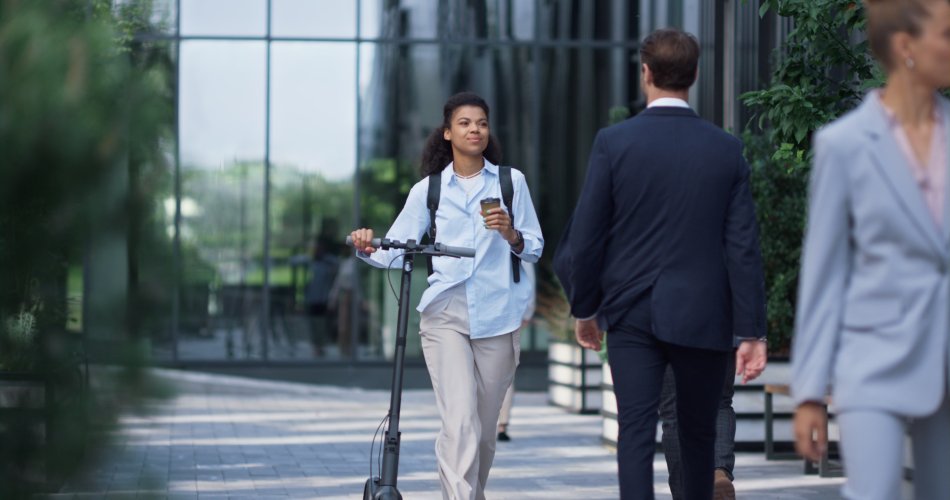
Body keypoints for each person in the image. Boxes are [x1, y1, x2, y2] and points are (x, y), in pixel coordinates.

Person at [555, 28, 768, 499]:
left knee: (634, 435)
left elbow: (587, 238)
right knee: (698, 435)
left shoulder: (614, 142)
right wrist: (752, 331)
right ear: (694, 75)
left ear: (645, 73)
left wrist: (585, 310)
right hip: (704, 314)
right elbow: (742, 247)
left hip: (631, 317)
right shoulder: (725, 149)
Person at [350, 91, 543, 500]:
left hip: (498, 315)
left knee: (485, 433)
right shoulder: (429, 191)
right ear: (447, 133)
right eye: (465, 123)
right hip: (445, 314)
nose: (475, 129)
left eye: (482, 123)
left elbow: (536, 246)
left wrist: (510, 233)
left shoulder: (511, 182)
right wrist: (366, 244)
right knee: (460, 423)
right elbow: (396, 248)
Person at [791, 1, 950, 498]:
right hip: (873, 356)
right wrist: (810, 392)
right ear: (906, 46)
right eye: (946, 33)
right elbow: (824, 272)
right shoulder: (844, 144)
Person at [658, 357, 737, 500]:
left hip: (667, 337)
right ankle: (719, 471)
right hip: (720, 337)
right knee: (720, 403)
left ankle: (684, 493)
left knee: (673, 412)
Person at [497, 262, 536, 442]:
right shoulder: (513, 234)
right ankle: (501, 424)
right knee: (505, 370)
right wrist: (527, 311)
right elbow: (527, 275)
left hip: (494, 310)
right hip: (510, 311)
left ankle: (488, 421)